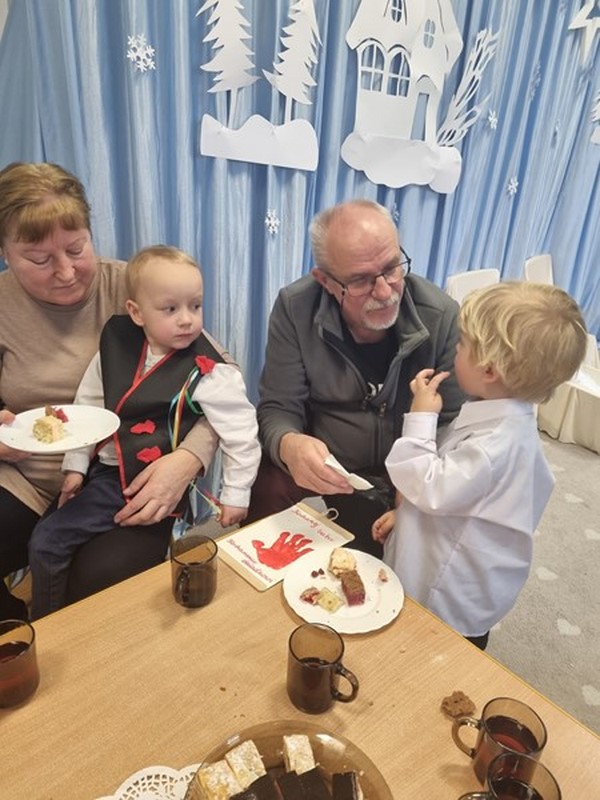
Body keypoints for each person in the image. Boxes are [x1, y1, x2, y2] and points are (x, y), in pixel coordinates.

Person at [0, 162, 218, 620]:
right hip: (25, 479)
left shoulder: (136, 287)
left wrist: (186, 460)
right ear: (5, 253)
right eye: (39, 260)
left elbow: (222, 380)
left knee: (100, 584)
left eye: (76, 249)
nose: (65, 272)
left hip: (124, 476)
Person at [29, 245, 260, 618]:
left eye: (196, 306)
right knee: (52, 535)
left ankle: (45, 626)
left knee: (47, 542)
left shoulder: (210, 371)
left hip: (139, 481)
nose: (187, 320)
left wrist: (235, 494)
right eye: (170, 309)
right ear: (136, 312)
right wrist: (75, 465)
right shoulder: (115, 344)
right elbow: (88, 405)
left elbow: (241, 433)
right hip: (100, 471)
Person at [372, 281, 588, 649]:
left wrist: (421, 418)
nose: (455, 350)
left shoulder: (494, 445)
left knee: (429, 657)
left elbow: (429, 485)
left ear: (488, 370)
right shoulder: (503, 419)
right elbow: (456, 493)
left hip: (447, 595)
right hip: (453, 551)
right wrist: (408, 517)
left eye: (462, 344)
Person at [246, 199, 465, 555]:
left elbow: (454, 427)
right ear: (326, 281)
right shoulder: (295, 308)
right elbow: (277, 407)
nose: (385, 292)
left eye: (392, 268)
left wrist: (413, 488)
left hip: (409, 467)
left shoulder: (441, 316)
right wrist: (289, 444)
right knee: (266, 495)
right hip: (328, 464)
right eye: (361, 280)